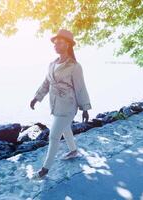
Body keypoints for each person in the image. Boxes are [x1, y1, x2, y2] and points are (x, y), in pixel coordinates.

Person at [29, 29, 92, 179]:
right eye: (55, 42)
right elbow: (46, 83)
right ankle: (73, 150)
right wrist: (36, 98)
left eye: (60, 42)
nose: (56, 45)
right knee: (65, 129)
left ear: (68, 45)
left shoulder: (75, 66)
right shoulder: (52, 64)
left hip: (69, 105)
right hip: (55, 105)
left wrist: (85, 108)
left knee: (54, 136)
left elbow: (81, 87)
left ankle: (45, 170)